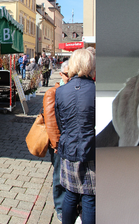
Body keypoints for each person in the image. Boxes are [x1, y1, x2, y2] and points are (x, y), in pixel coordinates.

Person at [55, 49, 95, 224]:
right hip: (91, 149)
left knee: (71, 193)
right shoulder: (96, 90)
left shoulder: (61, 91)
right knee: (89, 196)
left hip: (70, 147)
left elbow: (60, 122)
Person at [43, 60, 70, 221]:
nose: (70, 78)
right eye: (67, 75)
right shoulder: (53, 92)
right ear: (61, 75)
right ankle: (59, 207)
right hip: (58, 143)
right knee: (59, 176)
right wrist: (56, 144)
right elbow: (51, 121)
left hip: (69, 142)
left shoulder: (71, 89)